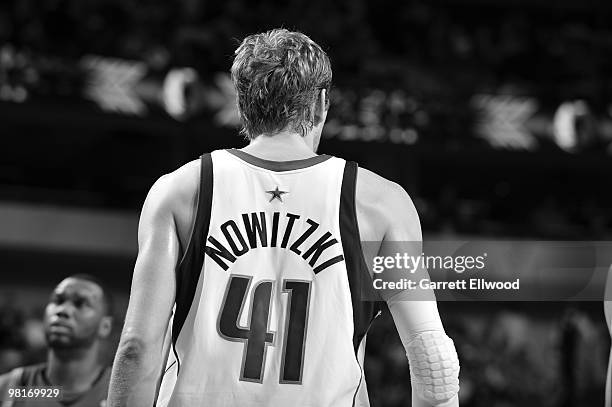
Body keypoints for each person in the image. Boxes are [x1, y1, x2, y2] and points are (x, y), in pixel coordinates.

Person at [108, 28, 460, 407]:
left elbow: (136, 347)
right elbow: (432, 358)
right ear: (323, 103)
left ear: (241, 103)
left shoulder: (181, 190)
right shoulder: (380, 202)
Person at [0, 274, 114, 407]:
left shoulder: (119, 391)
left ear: (105, 326)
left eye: (80, 303)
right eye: (58, 300)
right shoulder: (15, 389)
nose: (63, 310)